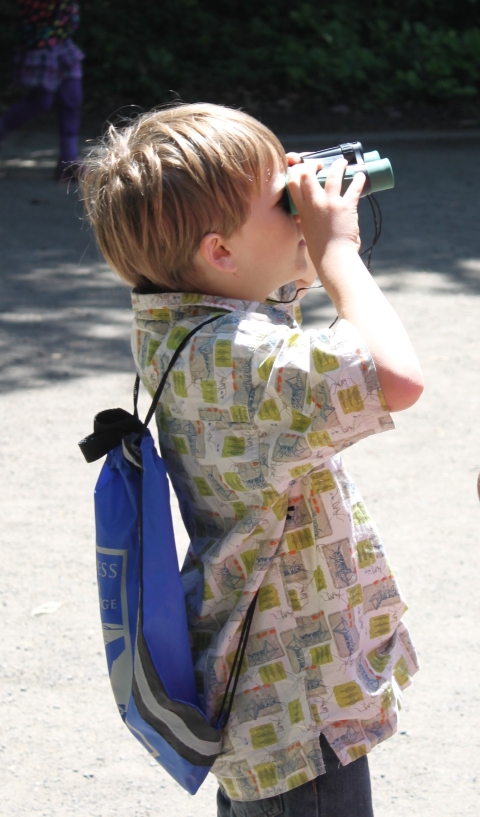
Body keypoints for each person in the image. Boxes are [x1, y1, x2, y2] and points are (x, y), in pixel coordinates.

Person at [81, 103, 424, 816]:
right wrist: (337, 252)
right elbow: (396, 377)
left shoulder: (178, 321)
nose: (301, 204)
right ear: (220, 253)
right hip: (297, 701)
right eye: (282, 201)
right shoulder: (242, 360)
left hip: (266, 694)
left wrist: (283, 218)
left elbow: (260, 300)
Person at [0, 0, 83, 181]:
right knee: (40, 102)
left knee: (72, 98)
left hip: (63, 44)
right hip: (41, 46)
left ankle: (68, 163)